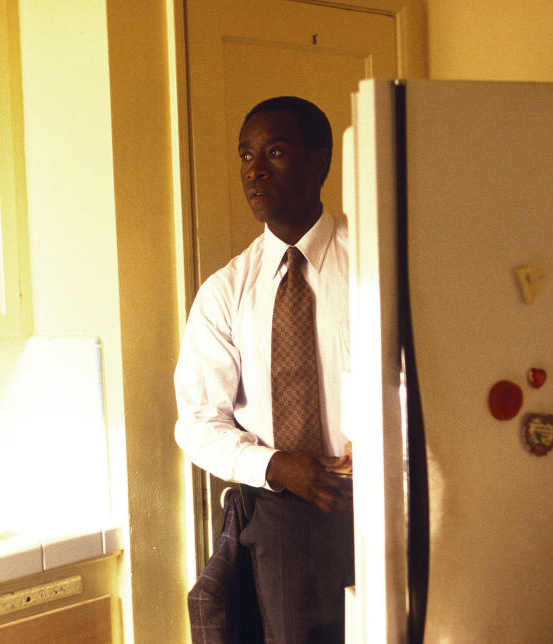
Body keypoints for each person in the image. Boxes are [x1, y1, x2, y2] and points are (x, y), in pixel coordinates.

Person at [175, 96, 353, 643]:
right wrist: (276, 466)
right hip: (284, 519)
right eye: (245, 155)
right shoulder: (226, 291)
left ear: (319, 161)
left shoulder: (378, 263)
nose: (254, 169)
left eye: (274, 151)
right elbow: (199, 423)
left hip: (390, 503)